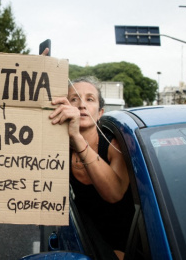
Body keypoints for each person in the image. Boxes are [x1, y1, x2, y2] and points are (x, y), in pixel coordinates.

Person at [49, 77, 134, 260]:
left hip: (123, 245)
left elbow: (114, 193)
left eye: (90, 99)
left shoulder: (115, 145)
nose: (81, 105)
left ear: (100, 112)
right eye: (74, 99)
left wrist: (76, 137)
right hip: (79, 240)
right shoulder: (57, 149)